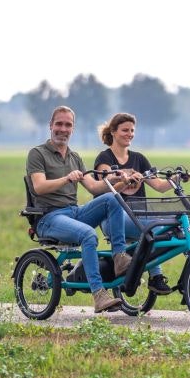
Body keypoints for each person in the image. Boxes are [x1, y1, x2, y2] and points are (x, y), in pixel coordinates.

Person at [26, 106, 133, 313]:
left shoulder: (74, 157)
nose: (63, 129)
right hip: (48, 217)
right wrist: (66, 178)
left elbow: (94, 187)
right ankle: (99, 294)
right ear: (50, 126)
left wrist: (117, 180)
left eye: (68, 125)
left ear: (72, 129)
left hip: (73, 212)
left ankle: (119, 257)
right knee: (88, 235)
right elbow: (39, 187)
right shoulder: (37, 153)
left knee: (112, 198)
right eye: (59, 124)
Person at [94, 112, 177, 295]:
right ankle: (156, 276)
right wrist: (126, 177)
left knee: (172, 223)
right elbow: (107, 182)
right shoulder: (104, 159)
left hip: (138, 216)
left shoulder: (139, 159)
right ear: (113, 132)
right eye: (125, 130)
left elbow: (159, 186)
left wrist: (176, 179)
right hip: (113, 218)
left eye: (132, 130)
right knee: (155, 228)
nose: (129, 134)